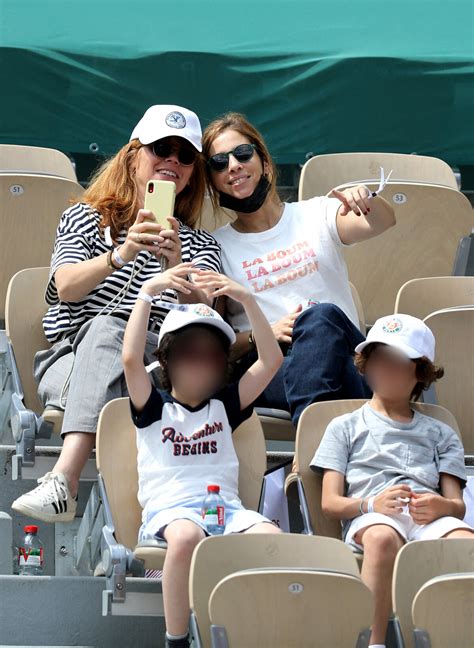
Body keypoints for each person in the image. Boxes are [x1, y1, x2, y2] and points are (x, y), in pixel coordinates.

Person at [12, 105, 221, 523]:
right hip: (74, 357)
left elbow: (205, 315)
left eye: (186, 156)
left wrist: (173, 265)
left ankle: (72, 486)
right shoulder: (88, 218)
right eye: (162, 148)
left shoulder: (202, 244)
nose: (173, 162)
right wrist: (122, 253)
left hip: (160, 361)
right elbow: (65, 286)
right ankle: (67, 481)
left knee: (169, 356)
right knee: (110, 327)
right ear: (133, 155)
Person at [202, 113, 397, 426]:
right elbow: (217, 341)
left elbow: (382, 222)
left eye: (242, 154)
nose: (234, 166)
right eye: (219, 162)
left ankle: (307, 457)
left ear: (264, 161)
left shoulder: (316, 212)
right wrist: (262, 334)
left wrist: (366, 200)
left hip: (340, 351)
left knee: (321, 317)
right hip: (272, 364)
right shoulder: (216, 246)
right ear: (212, 181)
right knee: (354, 374)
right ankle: (318, 453)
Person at [123, 269, 283, 648]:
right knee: (187, 536)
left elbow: (271, 360)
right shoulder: (153, 407)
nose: (201, 363)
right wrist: (148, 291)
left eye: (212, 357)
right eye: (190, 354)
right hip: (172, 511)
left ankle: (259, 633)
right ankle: (176, 639)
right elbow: (130, 359)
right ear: (166, 359)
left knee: (274, 539)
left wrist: (248, 300)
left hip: (226, 511)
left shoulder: (224, 406)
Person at [310, 314, 473, 647]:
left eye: (399, 363)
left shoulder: (441, 431)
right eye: (380, 360)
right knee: (383, 537)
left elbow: (456, 506)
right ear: (366, 365)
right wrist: (372, 504)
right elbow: (329, 503)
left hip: (427, 520)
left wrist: (441, 505)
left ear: (420, 373)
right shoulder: (344, 427)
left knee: (466, 544)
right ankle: (374, 643)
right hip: (372, 516)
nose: (387, 370)